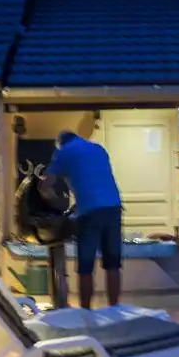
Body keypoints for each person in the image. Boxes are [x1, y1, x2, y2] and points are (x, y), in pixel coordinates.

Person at [46, 130, 125, 310]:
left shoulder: (63, 152)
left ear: (61, 143)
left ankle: (86, 310)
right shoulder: (98, 148)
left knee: (86, 265)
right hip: (113, 207)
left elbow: (46, 185)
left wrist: (52, 201)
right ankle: (115, 308)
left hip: (90, 211)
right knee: (112, 263)